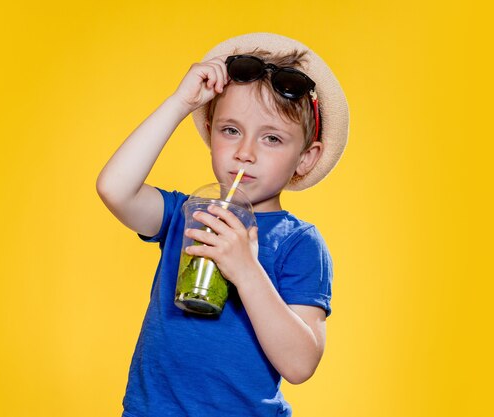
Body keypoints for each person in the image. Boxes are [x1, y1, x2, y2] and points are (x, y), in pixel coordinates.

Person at [96, 32, 349, 417]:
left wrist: (246, 271)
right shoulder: (189, 214)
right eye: (230, 130)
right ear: (210, 131)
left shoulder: (298, 243)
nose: (245, 153)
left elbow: (300, 365)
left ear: (305, 158)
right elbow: (114, 188)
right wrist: (181, 104)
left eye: (272, 138)